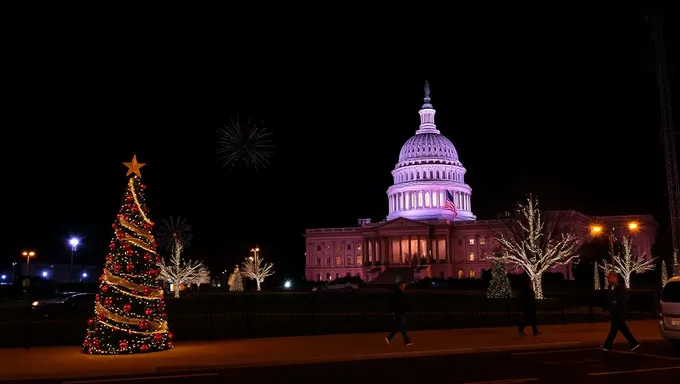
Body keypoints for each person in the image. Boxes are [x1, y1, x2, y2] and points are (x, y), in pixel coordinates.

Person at [601, 272, 639, 352]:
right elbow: (609, 300)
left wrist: (615, 309)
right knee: (620, 330)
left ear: (615, 278)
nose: (609, 279)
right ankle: (634, 343)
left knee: (614, 331)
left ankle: (607, 346)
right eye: (608, 278)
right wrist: (607, 309)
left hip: (618, 313)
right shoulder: (611, 288)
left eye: (610, 278)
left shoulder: (620, 288)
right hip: (616, 313)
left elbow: (621, 301)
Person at [385, 281, 413, 346]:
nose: (405, 286)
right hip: (400, 312)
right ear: (400, 286)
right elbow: (398, 303)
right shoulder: (398, 293)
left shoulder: (397, 293)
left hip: (399, 312)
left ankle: (389, 337)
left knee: (399, 326)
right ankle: (406, 341)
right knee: (402, 326)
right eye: (404, 285)